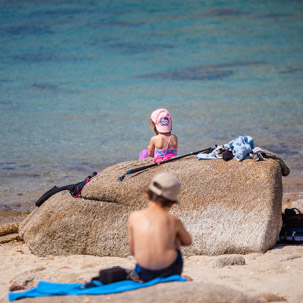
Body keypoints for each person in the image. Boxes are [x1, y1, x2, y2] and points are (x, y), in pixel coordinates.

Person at [128, 173, 192, 282]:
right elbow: (188, 241)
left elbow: (132, 250)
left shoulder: (134, 216)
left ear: (147, 195)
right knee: (175, 238)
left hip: (144, 272)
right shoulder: (173, 220)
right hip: (170, 271)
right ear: (171, 204)